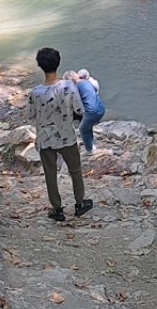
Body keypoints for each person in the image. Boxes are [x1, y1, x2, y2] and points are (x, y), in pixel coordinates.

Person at [26, 47, 93, 222]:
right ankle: (79, 203)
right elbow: (79, 109)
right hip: (66, 135)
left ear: (40, 66)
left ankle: (57, 209)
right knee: (75, 170)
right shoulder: (69, 86)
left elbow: (30, 116)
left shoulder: (35, 92)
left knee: (50, 173)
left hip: (45, 138)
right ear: (58, 64)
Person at [64, 70, 106, 154]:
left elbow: (73, 102)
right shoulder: (87, 82)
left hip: (92, 112)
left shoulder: (75, 88)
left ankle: (89, 151)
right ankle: (90, 144)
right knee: (87, 126)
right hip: (101, 108)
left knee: (82, 129)